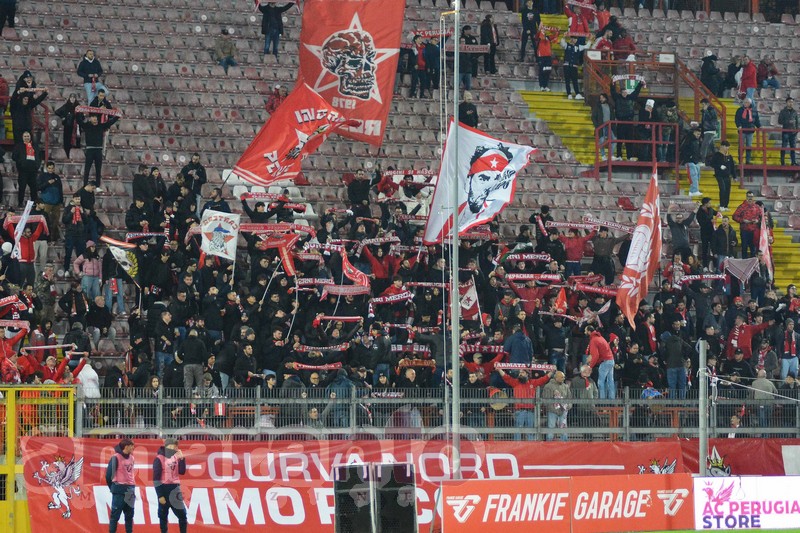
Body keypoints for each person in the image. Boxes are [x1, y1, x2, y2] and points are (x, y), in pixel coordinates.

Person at [497, 366, 552, 441]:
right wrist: (499, 369)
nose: (520, 374)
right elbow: (506, 377)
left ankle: (531, 447)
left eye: (522, 372)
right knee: (518, 431)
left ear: (527, 374)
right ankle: (517, 446)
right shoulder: (515, 382)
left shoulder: (533, 383)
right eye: (520, 373)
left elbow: (544, 379)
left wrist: (552, 371)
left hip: (531, 411)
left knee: (530, 431)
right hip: (519, 411)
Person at [77, 111, 120, 189]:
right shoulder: (86, 125)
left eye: (95, 117)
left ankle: (97, 185)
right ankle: (85, 185)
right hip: (90, 150)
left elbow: (110, 122)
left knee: (98, 169)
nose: (95, 118)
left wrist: (117, 116)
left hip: (98, 150)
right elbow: (79, 121)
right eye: (93, 117)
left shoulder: (101, 126)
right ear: (90, 118)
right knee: (87, 169)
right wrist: (77, 112)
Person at [153, 438, 188, 533]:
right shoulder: (159, 458)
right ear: (167, 446)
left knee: (183, 515)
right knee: (163, 516)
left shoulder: (176, 457)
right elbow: (156, 479)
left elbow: (182, 471)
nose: (174, 448)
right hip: (164, 489)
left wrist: (182, 458)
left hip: (175, 489)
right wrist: (160, 495)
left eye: (176, 446)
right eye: (172, 446)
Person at [106, 438, 136, 533]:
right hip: (119, 490)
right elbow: (109, 475)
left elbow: (131, 473)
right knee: (115, 516)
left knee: (129, 516)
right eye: (132, 446)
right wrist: (114, 488)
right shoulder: (116, 457)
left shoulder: (132, 458)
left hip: (130, 490)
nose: (133, 448)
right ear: (126, 446)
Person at [611, 79, 644, 160]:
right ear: (621, 93)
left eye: (626, 92)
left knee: (629, 140)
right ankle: (619, 156)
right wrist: (612, 84)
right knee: (620, 141)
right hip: (621, 122)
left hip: (629, 122)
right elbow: (612, 92)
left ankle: (629, 156)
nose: (625, 93)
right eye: (623, 92)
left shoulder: (630, 98)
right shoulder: (617, 98)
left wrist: (640, 84)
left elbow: (636, 92)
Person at [586, 325, 615, 399]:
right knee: (610, 381)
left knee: (600, 382)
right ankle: (612, 400)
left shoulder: (593, 340)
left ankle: (602, 401)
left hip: (605, 361)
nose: (584, 332)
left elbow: (595, 355)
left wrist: (590, 366)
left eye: (585, 331)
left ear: (589, 332)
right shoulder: (601, 338)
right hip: (611, 360)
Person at [11, 130, 40, 206]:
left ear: (30, 137)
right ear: (22, 137)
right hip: (23, 171)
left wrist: (37, 165)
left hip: (33, 170)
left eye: (28, 136)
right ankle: (20, 203)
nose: (26, 138)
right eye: (25, 136)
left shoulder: (35, 146)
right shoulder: (18, 146)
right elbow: (14, 157)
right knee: (22, 188)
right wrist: (20, 162)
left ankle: (34, 203)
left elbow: (38, 156)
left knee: (34, 188)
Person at [541, 370, 571, 442]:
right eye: (561, 377)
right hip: (552, 411)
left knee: (563, 427)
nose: (563, 378)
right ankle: (549, 442)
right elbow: (545, 399)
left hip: (563, 410)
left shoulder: (565, 387)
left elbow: (569, 398)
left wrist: (568, 406)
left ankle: (564, 442)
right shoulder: (548, 386)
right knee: (551, 427)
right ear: (556, 377)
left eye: (564, 377)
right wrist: (553, 408)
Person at [732, 190, 761, 258]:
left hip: (754, 231)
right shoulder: (742, 206)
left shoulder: (757, 207)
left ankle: (753, 265)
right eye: (748, 196)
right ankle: (744, 263)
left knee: (753, 249)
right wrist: (743, 220)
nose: (750, 198)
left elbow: (762, 218)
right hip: (744, 230)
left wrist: (757, 221)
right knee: (744, 248)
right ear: (746, 197)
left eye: (751, 196)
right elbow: (734, 216)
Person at [709, 141, 736, 212]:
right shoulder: (716, 155)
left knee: (727, 190)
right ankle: (721, 205)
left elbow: (732, 167)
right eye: (726, 146)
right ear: (722, 146)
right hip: (719, 175)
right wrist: (719, 166)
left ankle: (726, 205)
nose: (727, 148)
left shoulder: (729, 156)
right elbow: (711, 163)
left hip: (727, 175)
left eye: (728, 147)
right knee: (722, 189)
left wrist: (734, 176)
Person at [560, 34, 588, 100]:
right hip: (567, 65)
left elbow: (586, 46)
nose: (574, 40)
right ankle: (569, 94)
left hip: (574, 66)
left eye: (575, 39)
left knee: (574, 80)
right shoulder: (567, 45)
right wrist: (563, 36)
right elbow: (562, 43)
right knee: (567, 80)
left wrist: (589, 40)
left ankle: (577, 93)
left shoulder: (578, 46)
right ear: (571, 39)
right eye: (573, 38)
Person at [734, 98, 760, 165]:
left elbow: (756, 120)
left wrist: (759, 126)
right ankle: (740, 160)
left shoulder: (754, 111)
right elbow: (737, 119)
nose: (746, 103)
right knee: (741, 146)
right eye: (745, 102)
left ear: (750, 103)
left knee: (749, 146)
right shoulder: (740, 110)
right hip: (742, 131)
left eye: (747, 102)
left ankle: (748, 160)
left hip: (750, 131)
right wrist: (739, 126)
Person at [592, 93, 616, 160]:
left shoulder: (610, 106)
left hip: (609, 126)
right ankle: (603, 156)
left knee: (614, 139)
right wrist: (597, 126)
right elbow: (593, 117)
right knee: (601, 141)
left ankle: (611, 155)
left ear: (606, 98)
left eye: (602, 97)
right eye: (600, 98)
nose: (601, 99)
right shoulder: (597, 106)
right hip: (601, 126)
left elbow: (613, 116)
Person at [535, 26, 559, 92]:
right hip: (541, 57)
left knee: (547, 72)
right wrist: (541, 29)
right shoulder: (539, 37)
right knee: (541, 72)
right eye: (544, 30)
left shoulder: (548, 38)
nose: (544, 31)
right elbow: (538, 36)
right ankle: (541, 86)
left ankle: (546, 86)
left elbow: (556, 35)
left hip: (548, 57)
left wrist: (552, 29)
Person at [680, 127, 703, 197]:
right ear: (694, 132)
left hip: (695, 161)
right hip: (689, 160)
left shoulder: (696, 141)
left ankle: (693, 190)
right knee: (693, 175)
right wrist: (689, 156)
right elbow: (684, 149)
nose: (698, 136)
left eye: (699, 134)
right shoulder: (688, 139)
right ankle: (694, 190)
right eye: (697, 134)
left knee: (697, 175)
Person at [778, 97, 798, 167]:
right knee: (784, 147)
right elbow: (779, 121)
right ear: (786, 103)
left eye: (792, 102)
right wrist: (788, 122)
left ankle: (793, 162)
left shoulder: (795, 112)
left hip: (793, 133)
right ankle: (782, 162)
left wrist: (797, 130)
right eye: (789, 102)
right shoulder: (782, 111)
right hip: (785, 131)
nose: (791, 103)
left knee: (793, 147)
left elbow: (797, 122)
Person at [409, 35, 428, 99]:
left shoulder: (424, 47)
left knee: (423, 82)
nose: (421, 40)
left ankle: (422, 94)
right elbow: (411, 57)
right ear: (415, 40)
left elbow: (426, 57)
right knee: (414, 81)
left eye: (421, 38)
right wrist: (414, 64)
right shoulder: (413, 47)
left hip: (423, 67)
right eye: (419, 38)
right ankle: (412, 93)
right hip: (416, 67)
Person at [700, 99, 719, 164]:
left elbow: (711, 119)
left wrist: (705, 111)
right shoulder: (704, 112)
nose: (702, 106)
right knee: (712, 148)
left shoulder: (712, 110)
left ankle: (702, 161)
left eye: (703, 104)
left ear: (707, 104)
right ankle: (720, 160)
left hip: (710, 131)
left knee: (704, 145)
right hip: (706, 131)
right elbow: (704, 123)